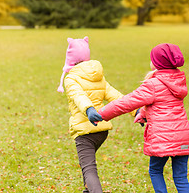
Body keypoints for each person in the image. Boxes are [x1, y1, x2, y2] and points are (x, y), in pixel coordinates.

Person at [98, 43, 189, 193]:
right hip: (182, 137)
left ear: (157, 63)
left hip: (163, 138)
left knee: (155, 171)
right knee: (180, 177)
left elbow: (127, 102)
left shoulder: (153, 84)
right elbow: (164, 103)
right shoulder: (178, 80)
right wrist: (143, 114)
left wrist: (101, 114)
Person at [57, 36, 133, 193]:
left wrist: (89, 109)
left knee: (89, 169)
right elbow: (115, 95)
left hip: (85, 131)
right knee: (87, 166)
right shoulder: (97, 75)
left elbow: (78, 95)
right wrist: (135, 110)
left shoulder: (71, 78)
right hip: (101, 131)